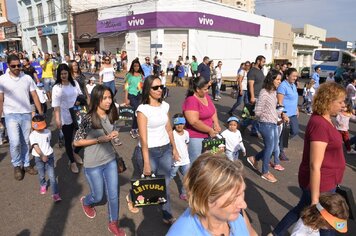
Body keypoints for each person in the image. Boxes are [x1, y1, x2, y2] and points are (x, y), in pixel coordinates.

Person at [272, 82, 347, 236]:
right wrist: (315, 200)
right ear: (328, 101)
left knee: (301, 209)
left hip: (327, 180)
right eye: (340, 102)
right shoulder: (320, 124)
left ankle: (275, 234)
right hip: (321, 183)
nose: (343, 105)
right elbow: (315, 165)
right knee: (327, 222)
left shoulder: (325, 118)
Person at [73, 85, 125, 236]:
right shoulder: (88, 118)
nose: (109, 101)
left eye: (110, 98)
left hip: (109, 160)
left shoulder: (110, 114)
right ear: (97, 99)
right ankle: (86, 202)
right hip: (93, 164)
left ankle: (113, 223)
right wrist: (98, 140)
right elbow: (76, 142)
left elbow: (108, 134)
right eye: (105, 98)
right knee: (98, 195)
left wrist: (113, 136)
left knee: (113, 194)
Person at [167, 153, 257, 236]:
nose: (244, 205)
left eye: (242, 193)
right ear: (204, 199)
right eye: (233, 198)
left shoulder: (236, 212)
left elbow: (251, 233)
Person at [135, 75, 180, 224]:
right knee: (148, 184)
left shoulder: (165, 106)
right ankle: (131, 196)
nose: (160, 89)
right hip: (150, 152)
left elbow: (168, 129)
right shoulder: (142, 110)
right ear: (148, 90)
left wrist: (174, 148)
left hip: (165, 149)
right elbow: (143, 138)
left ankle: (166, 214)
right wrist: (146, 163)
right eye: (155, 87)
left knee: (164, 185)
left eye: (161, 87)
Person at [0, 54, 42, 180]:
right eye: (13, 66)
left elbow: (34, 95)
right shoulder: (2, 79)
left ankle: (27, 164)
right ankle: (17, 165)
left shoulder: (27, 78)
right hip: (10, 114)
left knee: (25, 141)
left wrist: (40, 113)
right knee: (14, 142)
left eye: (19, 65)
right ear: (8, 65)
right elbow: (0, 99)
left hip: (26, 114)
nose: (17, 68)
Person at [247, 70, 287, 183]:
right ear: (271, 79)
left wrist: (281, 114)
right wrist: (267, 119)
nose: (279, 82)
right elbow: (258, 111)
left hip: (273, 123)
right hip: (266, 124)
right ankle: (265, 172)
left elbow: (272, 109)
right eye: (277, 79)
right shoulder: (264, 92)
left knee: (273, 147)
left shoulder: (273, 92)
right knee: (270, 148)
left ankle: (254, 158)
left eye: (280, 79)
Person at [52, 64, 83, 173]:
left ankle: (75, 153)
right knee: (68, 140)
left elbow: (80, 95)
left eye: (65, 73)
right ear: (58, 75)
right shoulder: (56, 87)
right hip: (65, 116)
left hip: (78, 114)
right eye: (61, 74)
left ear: (69, 73)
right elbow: (56, 105)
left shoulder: (74, 83)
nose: (64, 75)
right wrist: (57, 119)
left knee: (81, 137)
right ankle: (72, 162)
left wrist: (79, 101)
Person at [182, 76, 221, 163]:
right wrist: (209, 130)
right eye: (205, 89)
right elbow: (194, 122)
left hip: (209, 135)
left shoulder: (205, 96)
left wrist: (216, 123)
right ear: (197, 89)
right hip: (196, 137)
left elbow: (213, 110)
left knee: (209, 162)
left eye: (208, 88)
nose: (207, 91)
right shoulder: (191, 100)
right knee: (196, 163)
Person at [30, 115, 61, 202]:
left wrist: (46, 154)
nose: (41, 129)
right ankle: (43, 184)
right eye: (39, 127)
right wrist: (42, 155)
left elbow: (48, 142)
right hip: (38, 157)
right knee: (41, 174)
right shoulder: (32, 135)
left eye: (42, 127)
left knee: (52, 176)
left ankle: (55, 193)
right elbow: (35, 146)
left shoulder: (48, 132)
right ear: (34, 127)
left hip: (50, 155)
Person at [277, 68, 300, 161]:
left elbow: (294, 98)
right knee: (284, 133)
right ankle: (280, 150)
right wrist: (282, 114)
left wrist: (297, 108)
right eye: (293, 76)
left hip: (293, 113)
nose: (295, 78)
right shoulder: (283, 86)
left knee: (295, 131)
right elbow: (279, 101)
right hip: (285, 114)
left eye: (296, 76)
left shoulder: (293, 85)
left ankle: (279, 143)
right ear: (287, 76)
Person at [170, 113, 190, 201]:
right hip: (175, 160)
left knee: (186, 177)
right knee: (170, 175)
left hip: (185, 160)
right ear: (174, 124)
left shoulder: (186, 133)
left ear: (184, 124)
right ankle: (161, 189)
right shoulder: (172, 134)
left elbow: (187, 143)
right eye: (177, 124)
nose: (179, 126)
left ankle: (184, 193)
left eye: (181, 123)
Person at [124, 58, 144, 139]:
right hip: (131, 94)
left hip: (139, 95)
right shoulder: (129, 75)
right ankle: (133, 129)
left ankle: (136, 128)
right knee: (136, 110)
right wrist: (126, 98)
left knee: (139, 111)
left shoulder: (141, 75)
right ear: (132, 66)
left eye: (138, 66)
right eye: (135, 66)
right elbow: (126, 86)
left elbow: (141, 85)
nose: (136, 67)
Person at [247, 55, 266, 137]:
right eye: (263, 61)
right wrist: (252, 96)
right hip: (255, 96)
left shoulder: (260, 70)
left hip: (260, 95)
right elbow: (251, 85)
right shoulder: (252, 71)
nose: (264, 63)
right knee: (255, 115)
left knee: (256, 115)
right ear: (258, 61)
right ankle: (244, 125)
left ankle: (253, 130)